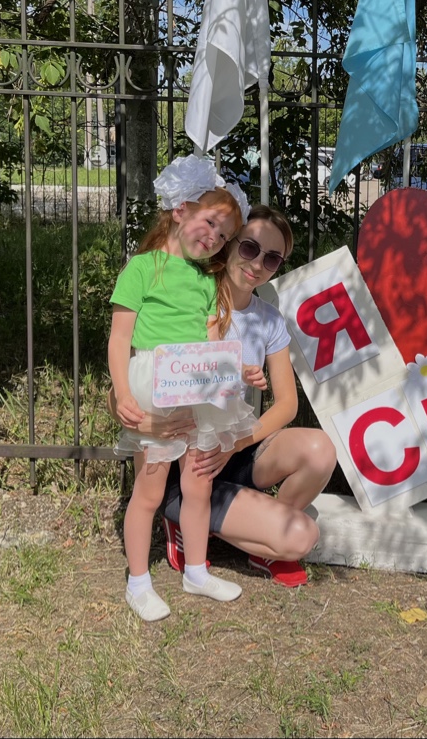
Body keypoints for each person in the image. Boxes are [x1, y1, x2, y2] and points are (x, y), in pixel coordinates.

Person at [112, 204, 338, 592]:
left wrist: (233, 445)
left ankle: (240, 532)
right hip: (188, 462)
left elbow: (287, 405)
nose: (257, 264)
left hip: (230, 448)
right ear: (229, 244)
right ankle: (190, 520)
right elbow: (130, 382)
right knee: (301, 536)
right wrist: (148, 423)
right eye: (250, 248)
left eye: (272, 258)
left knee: (320, 450)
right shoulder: (192, 297)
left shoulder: (269, 319)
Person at [109, 155, 256, 622]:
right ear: (180, 210)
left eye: (224, 235)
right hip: (155, 386)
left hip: (196, 383)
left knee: (198, 484)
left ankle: (196, 570)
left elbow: (211, 341)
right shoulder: (142, 268)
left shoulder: (206, 279)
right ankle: (138, 581)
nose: (214, 238)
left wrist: (235, 373)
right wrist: (123, 393)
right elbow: (120, 339)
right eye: (210, 223)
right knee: (150, 489)